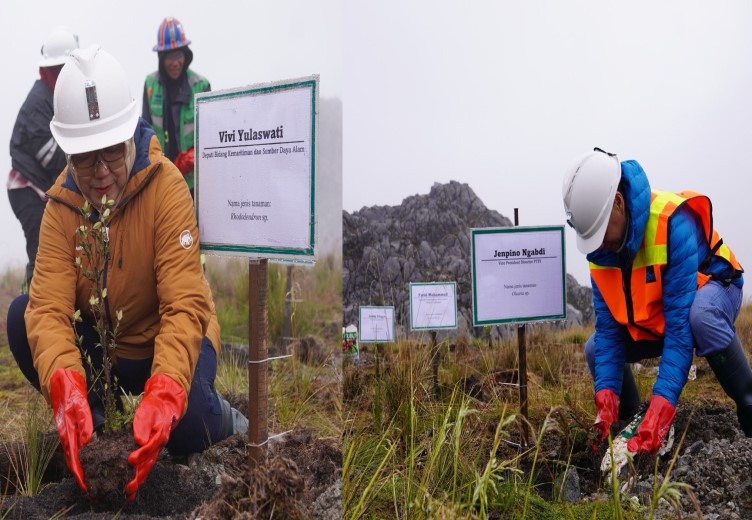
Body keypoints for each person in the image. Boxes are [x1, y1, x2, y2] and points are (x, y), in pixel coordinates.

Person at [5, 45, 246, 501]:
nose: (99, 173)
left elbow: (185, 305)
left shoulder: (167, 186)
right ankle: (96, 435)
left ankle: (227, 418)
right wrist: (67, 387)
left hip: (167, 340)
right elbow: (49, 312)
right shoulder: (61, 207)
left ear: (130, 135)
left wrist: (165, 392)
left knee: (186, 424)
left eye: (111, 153)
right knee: (22, 317)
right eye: (83, 157)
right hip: (109, 351)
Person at [562, 147, 752, 455]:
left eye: (600, 233)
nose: (600, 246)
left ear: (619, 204)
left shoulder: (671, 224)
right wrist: (605, 410)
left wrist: (662, 409)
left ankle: (748, 401)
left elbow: (679, 333)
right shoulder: (601, 251)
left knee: (700, 318)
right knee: (595, 348)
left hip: (714, 290)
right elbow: (610, 334)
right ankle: (632, 421)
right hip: (662, 313)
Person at [8, 28, 79, 288]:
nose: (63, 74)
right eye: (58, 68)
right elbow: (52, 156)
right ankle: (32, 310)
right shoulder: (39, 100)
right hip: (26, 188)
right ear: (48, 71)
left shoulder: (57, 96)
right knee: (41, 249)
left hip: (41, 187)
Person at [142, 16, 210, 197]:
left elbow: (211, 136)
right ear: (161, 58)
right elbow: (145, 133)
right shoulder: (150, 84)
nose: (175, 62)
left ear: (186, 56)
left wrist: (190, 158)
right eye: (169, 57)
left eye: (179, 55)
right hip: (162, 178)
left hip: (195, 181)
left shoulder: (201, 85)